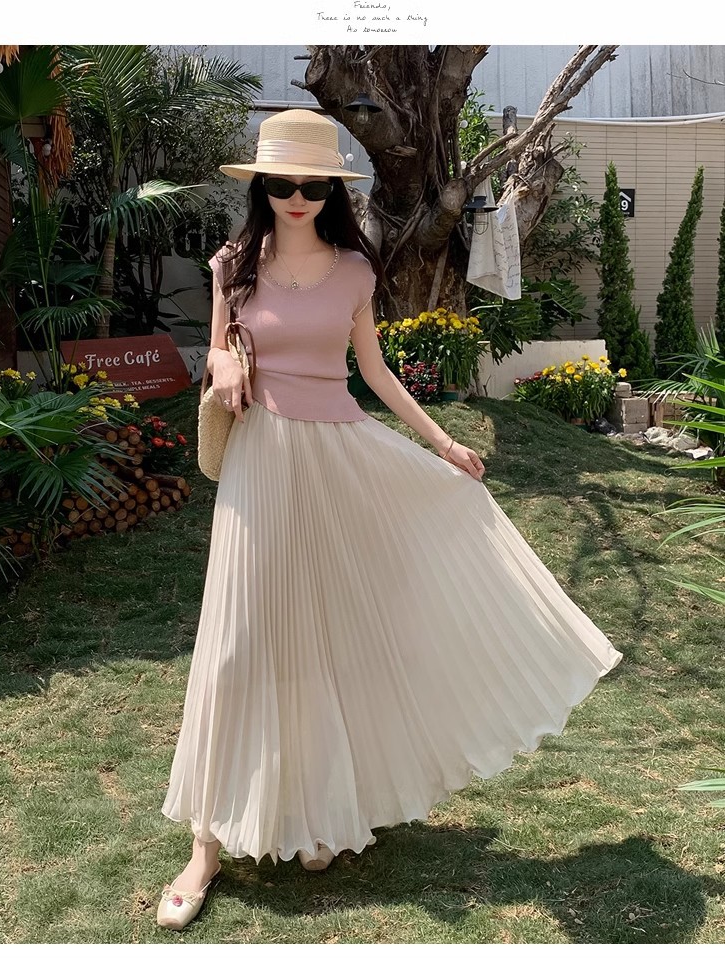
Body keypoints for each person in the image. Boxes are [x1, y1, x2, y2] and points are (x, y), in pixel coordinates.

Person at [156, 110, 622, 930]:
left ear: (331, 192)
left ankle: (316, 814)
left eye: (313, 185)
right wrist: (224, 360)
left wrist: (443, 443)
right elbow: (220, 351)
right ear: (261, 187)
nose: (297, 196)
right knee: (237, 644)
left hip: (339, 461)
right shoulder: (234, 263)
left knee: (328, 641)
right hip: (261, 466)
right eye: (282, 182)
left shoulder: (353, 271)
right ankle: (205, 845)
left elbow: (373, 372)